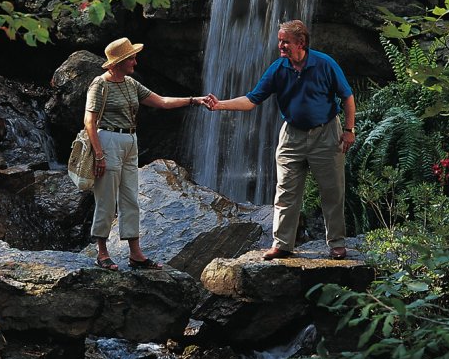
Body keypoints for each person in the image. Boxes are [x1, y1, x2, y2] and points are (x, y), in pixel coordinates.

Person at [209, 19, 355, 260]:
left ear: (301, 43)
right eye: (280, 41)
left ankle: (337, 243)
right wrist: (219, 105)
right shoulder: (278, 68)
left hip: (327, 132)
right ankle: (282, 244)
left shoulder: (324, 64)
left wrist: (349, 130)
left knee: (332, 190)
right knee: (285, 191)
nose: (281, 46)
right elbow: (251, 100)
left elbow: (347, 97)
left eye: (285, 41)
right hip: (292, 135)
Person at [86, 36, 211, 271]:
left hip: (130, 140)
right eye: (131, 58)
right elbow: (89, 121)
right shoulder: (99, 84)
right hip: (108, 139)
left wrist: (194, 100)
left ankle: (135, 253)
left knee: (130, 197)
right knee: (105, 198)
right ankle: (102, 252)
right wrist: (99, 154)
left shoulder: (131, 84)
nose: (135, 62)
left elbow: (162, 101)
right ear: (119, 61)